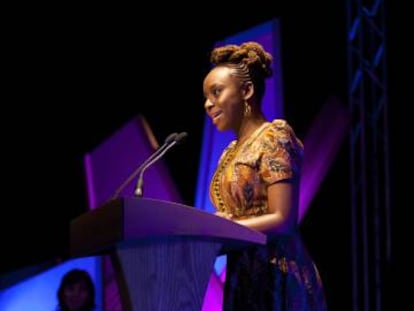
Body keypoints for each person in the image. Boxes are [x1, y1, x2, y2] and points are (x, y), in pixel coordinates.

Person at [203, 41, 328, 310]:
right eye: (206, 97)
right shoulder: (229, 153)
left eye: (216, 93)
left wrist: (223, 229)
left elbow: (283, 221)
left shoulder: (274, 137)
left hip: (278, 276)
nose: (207, 104)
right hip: (242, 275)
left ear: (247, 90)